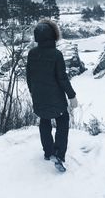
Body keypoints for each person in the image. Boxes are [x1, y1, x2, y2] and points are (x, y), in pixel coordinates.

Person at [26, 18, 78, 172]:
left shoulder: (32, 53)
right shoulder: (56, 54)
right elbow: (62, 78)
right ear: (54, 35)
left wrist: (33, 92)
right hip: (56, 97)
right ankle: (59, 154)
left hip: (38, 96)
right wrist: (72, 96)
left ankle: (48, 152)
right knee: (63, 120)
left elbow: (29, 76)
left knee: (44, 120)